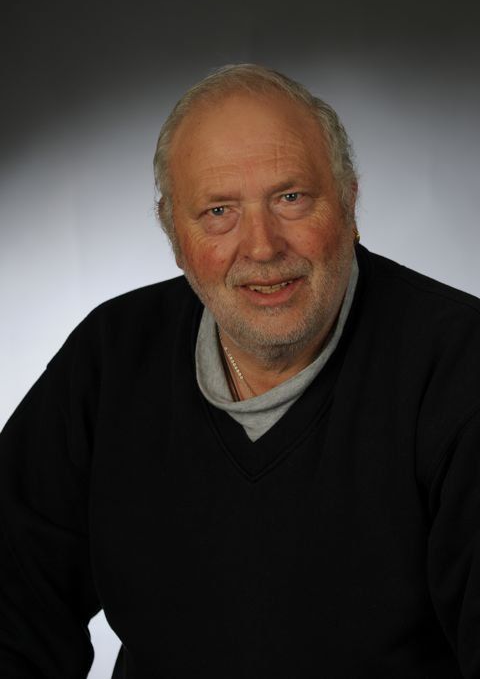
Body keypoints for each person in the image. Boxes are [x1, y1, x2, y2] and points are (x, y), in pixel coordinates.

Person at [1, 64, 479, 679]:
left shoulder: (459, 365)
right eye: (219, 210)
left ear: (349, 201)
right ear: (174, 233)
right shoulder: (111, 357)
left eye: (291, 197)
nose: (261, 246)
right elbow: (13, 609)